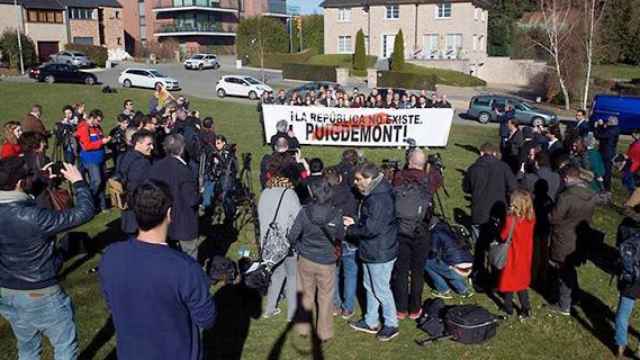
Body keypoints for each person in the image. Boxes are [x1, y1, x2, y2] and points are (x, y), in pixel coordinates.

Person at [99, 180, 216, 360]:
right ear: (170, 214)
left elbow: (111, 303)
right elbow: (206, 318)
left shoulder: (110, 256)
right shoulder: (185, 268)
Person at [0, 157, 94, 360]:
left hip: (7, 290)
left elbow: (17, 199)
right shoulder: (34, 217)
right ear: (19, 182)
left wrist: (40, 181)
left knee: (27, 348)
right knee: (65, 347)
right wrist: (79, 182)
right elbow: (83, 213)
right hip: (40, 291)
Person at [344, 162, 400, 342]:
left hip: (380, 251)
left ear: (369, 178)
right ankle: (371, 320)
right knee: (369, 286)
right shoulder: (376, 191)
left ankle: (391, 324)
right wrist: (355, 221)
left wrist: (351, 229)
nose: (355, 182)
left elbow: (371, 228)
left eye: (358, 179)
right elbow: (371, 222)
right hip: (373, 249)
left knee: (381, 289)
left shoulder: (379, 199)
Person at [288, 178, 345, 342]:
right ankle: (324, 333)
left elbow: (292, 236)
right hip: (326, 262)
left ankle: (303, 327)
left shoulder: (304, 212)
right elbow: (340, 236)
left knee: (305, 294)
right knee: (326, 298)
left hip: (306, 259)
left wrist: (300, 246)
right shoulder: (336, 214)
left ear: (313, 194)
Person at [463, 143, 516, 291]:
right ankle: (495, 278)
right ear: (492, 153)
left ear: (481, 153)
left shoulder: (474, 168)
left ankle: (479, 277)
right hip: (497, 214)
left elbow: (465, 188)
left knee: (479, 247)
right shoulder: (503, 167)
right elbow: (513, 187)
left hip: (479, 212)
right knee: (495, 247)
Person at [548, 165, 596, 315]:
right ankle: (575, 296)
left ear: (567, 178)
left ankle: (564, 305)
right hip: (580, 237)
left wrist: (548, 213)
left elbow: (554, 218)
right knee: (570, 268)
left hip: (564, 238)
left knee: (563, 272)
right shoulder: (590, 193)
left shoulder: (566, 197)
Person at [258, 156, 302, 321]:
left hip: (268, 244)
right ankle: (291, 314)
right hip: (286, 243)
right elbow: (298, 219)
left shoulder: (264, 192)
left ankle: (269, 308)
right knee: (292, 277)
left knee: (276, 276)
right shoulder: (289, 194)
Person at [391, 149, 432, 320]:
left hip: (401, 231)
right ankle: (415, 309)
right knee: (417, 272)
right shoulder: (429, 180)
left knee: (401, 271)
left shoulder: (399, 177)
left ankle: (400, 309)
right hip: (420, 231)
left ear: (409, 162)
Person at [149, 134, 201, 260]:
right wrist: (200, 194)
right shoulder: (184, 171)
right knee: (189, 256)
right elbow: (191, 200)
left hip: (163, 221)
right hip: (183, 221)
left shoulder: (156, 166)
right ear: (182, 148)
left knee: (171, 257)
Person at [324, 167, 359, 319]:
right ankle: (347, 307)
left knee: (335, 273)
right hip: (348, 237)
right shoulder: (350, 193)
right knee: (350, 273)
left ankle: (336, 305)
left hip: (333, 239)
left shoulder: (323, 196)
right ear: (339, 177)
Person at [497, 190, 536, 319]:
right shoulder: (531, 218)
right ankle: (526, 308)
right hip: (526, 254)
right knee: (521, 283)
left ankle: (508, 308)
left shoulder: (511, 219)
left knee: (509, 281)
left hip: (513, 254)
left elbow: (503, 236)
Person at [613, 210, 640, 358]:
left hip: (630, 278)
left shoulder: (627, 225)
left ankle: (620, 346)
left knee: (623, 314)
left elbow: (619, 246)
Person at [424, 218, 474, 298]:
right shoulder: (451, 230)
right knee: (448, 267)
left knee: (426, 263)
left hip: (456, 268)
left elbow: (433, 253)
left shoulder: (435, 233)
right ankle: (464, 290)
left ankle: (443, 290)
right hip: (469, 265)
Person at [117, 130, 154, 235]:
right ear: (138, 143)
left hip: (127, 205)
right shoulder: (142, 163)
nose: (152, 147)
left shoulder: (124, 156)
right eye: (149, 144)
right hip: (138, 211)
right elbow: (141, 188)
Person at [76, 109, 111, 212]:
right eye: (98, 120)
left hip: (100, 158)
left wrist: (105, 141)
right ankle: (88, 202)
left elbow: (100, 138)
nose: (99, 123)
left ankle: (102, 206)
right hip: (91, 159)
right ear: (92, 118)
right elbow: (86, 146)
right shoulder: (84, 128)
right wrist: (102, 142)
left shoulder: (97, 127)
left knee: (102, 183)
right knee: (96, 181)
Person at [594, 115, 620, 192]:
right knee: (605, 171)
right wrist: (602, 125)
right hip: (608, 152)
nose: (607, 122)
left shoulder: (611, 131)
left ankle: (606, 188)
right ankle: (605, 187)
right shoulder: (615, 129)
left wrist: (596, 127)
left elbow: (599, 136)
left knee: (606, 171)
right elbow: (603, 132)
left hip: (606, 153)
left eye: (608, 121)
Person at [622, 129, 640, 194]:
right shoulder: (635, 142)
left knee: (627, 178)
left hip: (633, 164)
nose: (632, 135)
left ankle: (633, 193)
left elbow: (635, 154)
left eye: (634, 134)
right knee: (629, 178)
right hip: (632, 163)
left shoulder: (637, 144)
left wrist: (627, 157)